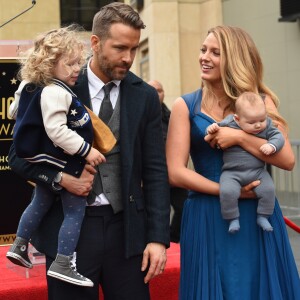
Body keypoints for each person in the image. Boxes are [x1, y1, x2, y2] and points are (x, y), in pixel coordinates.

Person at [8, 3, 170, 300]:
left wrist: (158, 238)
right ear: (94, 43)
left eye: (134, 49)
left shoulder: (145, 96)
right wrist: (60, 179)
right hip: (68, 236)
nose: (128, 58)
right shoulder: (51, 86)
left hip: (127, 233)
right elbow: (18, 157)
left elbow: (156, 170)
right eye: (120, 47)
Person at [166, 25, 300, 299]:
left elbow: (287, 160)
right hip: (206, 213)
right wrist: (229, 191)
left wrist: (238, 137)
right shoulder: (186, 105)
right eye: (203, 50)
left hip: (257, 215)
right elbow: (176, 172)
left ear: (235, 59)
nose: (205, 57)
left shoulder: (262, 103)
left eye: (215, 52)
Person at [6, 25, 117, 287]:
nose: (76, 69)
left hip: (45, 161)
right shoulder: (56, 92)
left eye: (78, 62)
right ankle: (64, 262)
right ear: (49, 64)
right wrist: (87, 151)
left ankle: (20, 245)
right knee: (75, 211)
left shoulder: (30, 87)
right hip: (65, 162)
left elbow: (14, 111)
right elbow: (57, 131)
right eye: (69, 64)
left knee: (40, 201)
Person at [206, 91, 285, 233]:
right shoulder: (230, 122)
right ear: (237, 119)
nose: (258, 125)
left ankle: (263, 216)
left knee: (269, 190)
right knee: (227, 191)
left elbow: (278, 136)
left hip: (258, 172)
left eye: (262, 120)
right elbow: (215, 128)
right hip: (232, 172)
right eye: (251, 122)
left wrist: (272, 145)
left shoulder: (267, 126)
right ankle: (232, 218)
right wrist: (211, 128)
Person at [148, 79, 188, 242]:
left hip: (173, 171)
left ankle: (173, 238)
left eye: (160, 90)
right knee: (157, 210)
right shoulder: (139, 114)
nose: (157, 93)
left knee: (184, 206)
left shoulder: (171, 115)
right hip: (152, 175)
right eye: (153, 90)